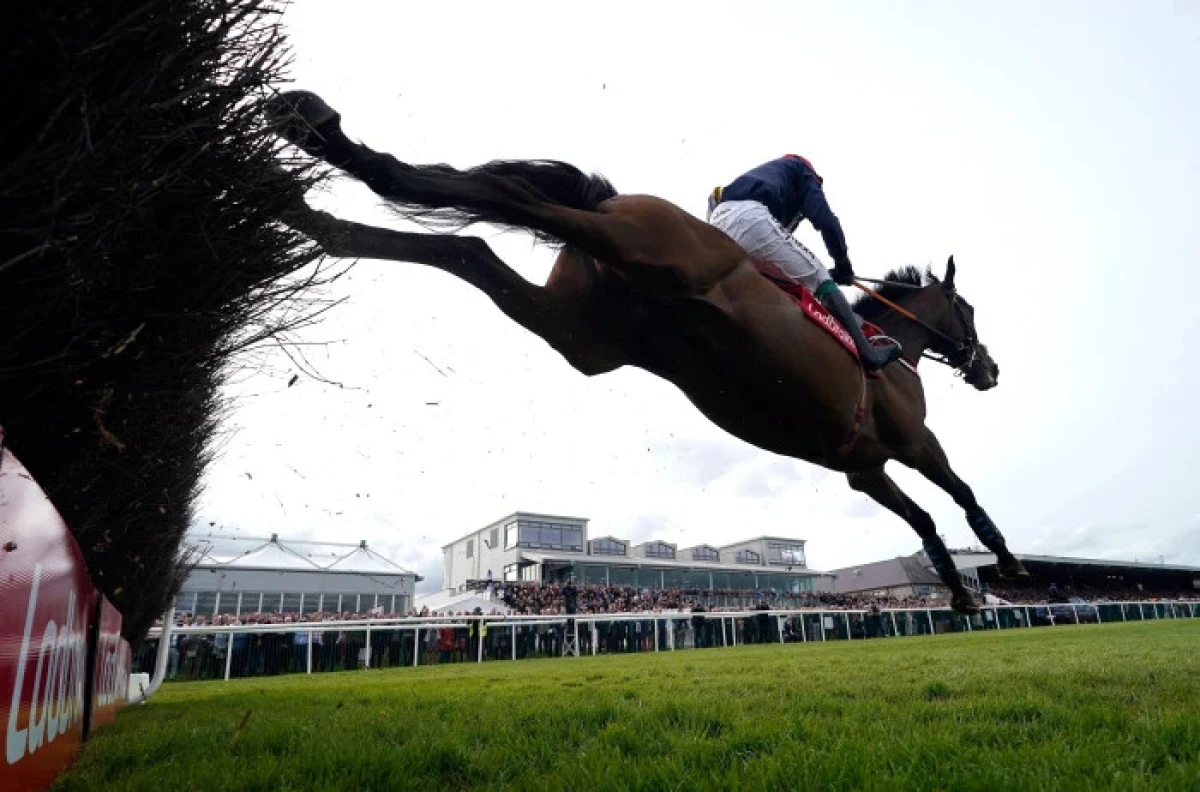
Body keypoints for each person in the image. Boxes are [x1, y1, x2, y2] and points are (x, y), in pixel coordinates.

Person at [707, 155, 902, 371]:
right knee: (819, 276)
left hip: (717, 224)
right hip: (750, 220)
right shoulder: (803, 172)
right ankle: (868, 353)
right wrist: (842, 264)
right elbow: (826, 221)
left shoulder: (765, 177)